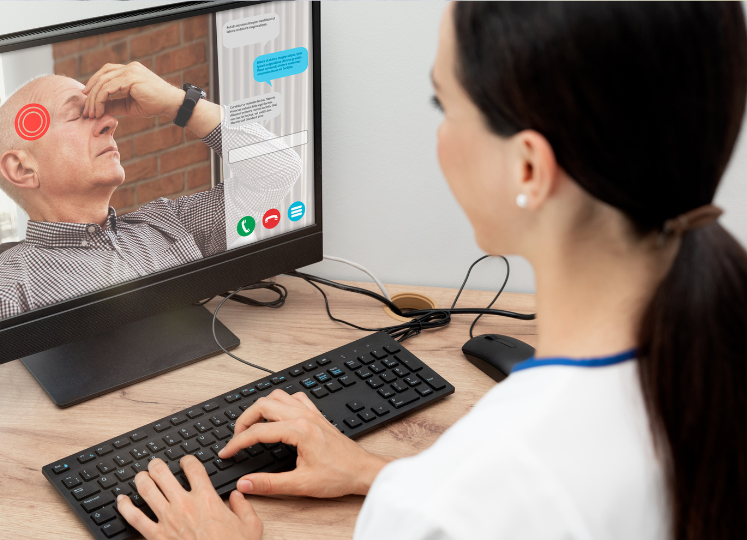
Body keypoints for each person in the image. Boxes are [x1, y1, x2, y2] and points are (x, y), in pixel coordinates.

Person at [112, 3, 747, 539]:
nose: (438, 133)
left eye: (442, 102)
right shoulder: (708, 355)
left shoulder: (476, 490)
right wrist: (377, 474)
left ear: (528, 169)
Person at [0, 63, 302, 340]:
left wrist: (179, 104)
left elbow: (279, 171)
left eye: (103, 112)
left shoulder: (172, 224)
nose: (111, 123)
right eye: (79, 113)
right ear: (22, 168)